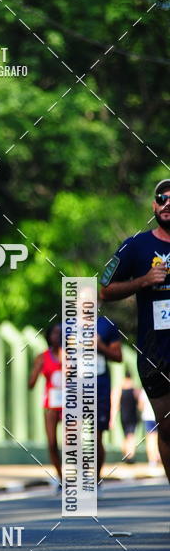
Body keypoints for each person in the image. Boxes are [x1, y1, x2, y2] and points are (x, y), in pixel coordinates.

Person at [100, 179, 170, 485]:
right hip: (156, 353)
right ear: (154, 206)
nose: (168, 203)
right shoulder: (135, 246)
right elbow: (104, 289)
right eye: (162, 198)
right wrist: (142, 281)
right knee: (167, 428)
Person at [28, 321, 62, 488]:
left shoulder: (73, 355)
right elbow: (30, 384)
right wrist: (36, 370)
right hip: (51, 404)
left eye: (61, 333)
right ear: (49, 336)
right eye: (55, 333)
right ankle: (61, 478)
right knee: (52, 443)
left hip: (71, 403)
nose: (58, 336)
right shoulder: (42, 357)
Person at [96, 316, 122, 486]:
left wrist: (99, 346)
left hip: (99, 387)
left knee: (95, 436)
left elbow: (118, 356)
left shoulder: (106, 325)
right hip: (74, 388)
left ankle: (95, 478)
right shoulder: (67, 325)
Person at [111, 370, 140, 463]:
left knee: (126, 435)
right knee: (131, 436)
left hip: (123, 416)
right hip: (132, 415)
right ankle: (130, 457)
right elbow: (140, 404)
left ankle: (126, 455)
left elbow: (115, 405)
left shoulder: (119, 389)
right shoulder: (135, 389)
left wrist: (112, 418)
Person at [140, 390, 162, 471]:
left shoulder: (144, 389)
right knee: (158, 438)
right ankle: (157, 458)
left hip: (148, 417)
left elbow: (140, 404)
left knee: (150, 440)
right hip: (157, 416)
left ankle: (152, 460)